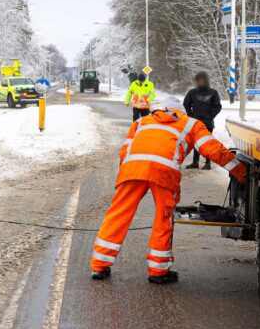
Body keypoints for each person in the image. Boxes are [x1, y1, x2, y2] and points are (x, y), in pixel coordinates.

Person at [91, 96, 246, 284]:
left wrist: (125, 173)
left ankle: (99, 265)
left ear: (162, 109)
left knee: (118, 214)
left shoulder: (142, 121)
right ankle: (158, 271)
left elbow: (125, 150)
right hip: (163, 173)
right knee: (163, 218)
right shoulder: (191, 124)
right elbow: (212, 149)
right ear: (181, 110)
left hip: (132, 169)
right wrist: (241, 172)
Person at [183, 71, 222, 169]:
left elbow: (218, 106)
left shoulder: (213, 92)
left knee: (207, 143)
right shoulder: (192, 92)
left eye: (202, 80)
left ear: (206, 80)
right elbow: (186, 103)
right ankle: (195, 162)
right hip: (195, 123)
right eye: (199, 80)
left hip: (208, 123)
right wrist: (190, 115)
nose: (201, 82)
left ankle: (208, 163)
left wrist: (210, 116)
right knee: (196, 142)